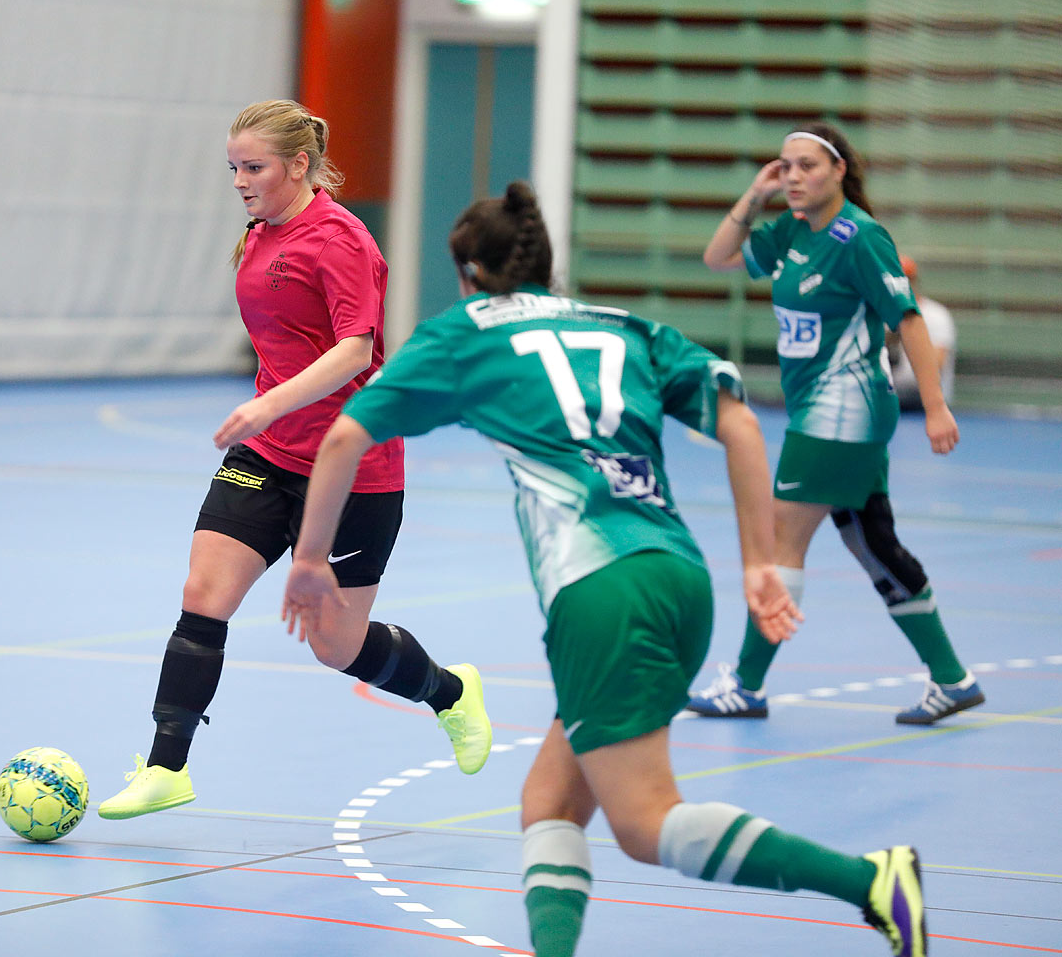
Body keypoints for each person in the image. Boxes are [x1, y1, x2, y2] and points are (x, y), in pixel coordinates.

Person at [281, 180, 927, 957]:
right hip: (678, 577)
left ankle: (870, 881)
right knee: (548, 800)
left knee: (647, 824)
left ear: (469, 275)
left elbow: (347, 435)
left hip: (600, 594)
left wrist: (312, 558)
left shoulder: (467, 332)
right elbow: (742, 424)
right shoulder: (629, 328)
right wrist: (759, 562)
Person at [96, 99, 491, 820]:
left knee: (335, 646)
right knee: (203, 595)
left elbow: (354, 351)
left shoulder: (340, 240)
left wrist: (270, 401)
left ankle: (450, 692)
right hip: (268, 455)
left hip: (352, 468)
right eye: (234, 169)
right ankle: (166, 766)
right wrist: (269, 415)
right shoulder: (258, 233)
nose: (241, 181)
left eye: (255, 168)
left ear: (299, 165)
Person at [689, 123, 983, 725]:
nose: (794, 176)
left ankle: (746, 684)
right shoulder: (792, 232)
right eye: (785, 167)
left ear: (840, 170)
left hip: (841, 411)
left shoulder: (860, 238)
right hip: (820, 410)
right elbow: (717, 257)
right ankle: (953, 679)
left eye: (807, 166)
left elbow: (909, 319)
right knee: (872, 543)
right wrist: (755, 194)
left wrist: (934, 407)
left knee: (780, 545)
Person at [887, 256, 956, 411]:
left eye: (906, 280)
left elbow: (937, 365)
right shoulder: (883, 315)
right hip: (892, 394)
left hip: (922, 397)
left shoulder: (935, 315)